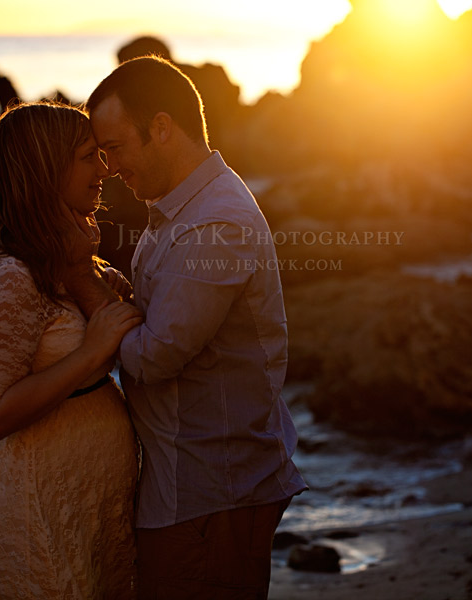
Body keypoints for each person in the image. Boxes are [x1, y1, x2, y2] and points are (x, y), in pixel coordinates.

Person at [65, 56, 307, 599]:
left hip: (210, 493)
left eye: (114, 147)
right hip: (194, 489)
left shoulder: (215, 223)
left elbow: (155, 355)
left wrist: (83, 284)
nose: (107, 168)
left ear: (161, 128)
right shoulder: (180, 212)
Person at [0, 101, 142, 599]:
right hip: (27, 519)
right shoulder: (10, 272)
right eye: (88, 157)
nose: (104, 168)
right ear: (47, 168)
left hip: (76, 509)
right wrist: (90, 355)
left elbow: (126, 313)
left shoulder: (57, 248)